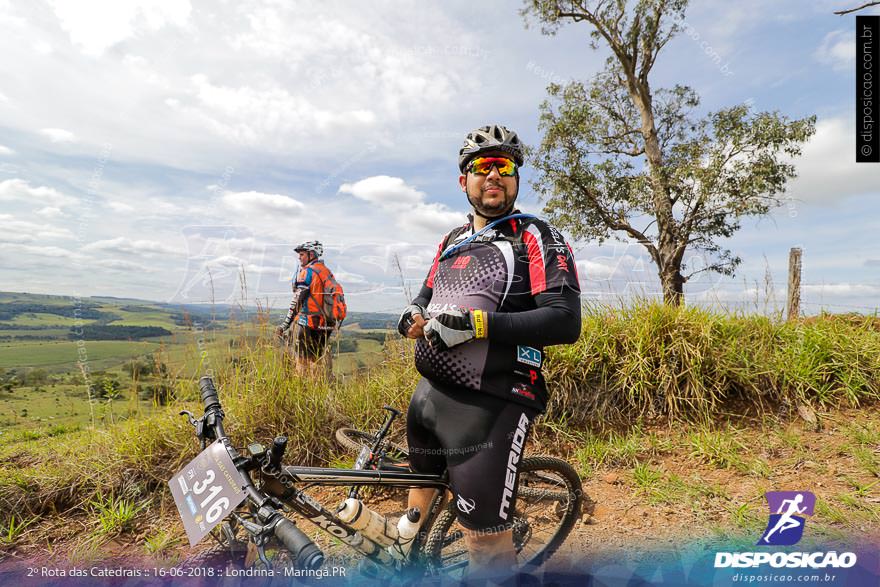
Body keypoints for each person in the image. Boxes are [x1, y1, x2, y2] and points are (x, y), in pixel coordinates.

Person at [397, 124, 582, 579]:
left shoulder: (535, 236)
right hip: (429, 395)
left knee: (485, 538)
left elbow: (565, 320)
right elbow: (426, 293)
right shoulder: (451, 239)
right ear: (465, 181)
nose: (493, 175)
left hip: (493, 401)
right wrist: (413, 314)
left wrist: (480, 325)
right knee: (417, 498)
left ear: (516, 178)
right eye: (482, 167)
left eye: (504, 166)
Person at [276, 241, 336, 372]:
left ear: (311, 255)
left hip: (307, 323)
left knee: (301, 362)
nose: (299, 257)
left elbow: (296, 301)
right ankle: (318, 388)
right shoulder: (326, 271)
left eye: (302, 254)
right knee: (316, 361)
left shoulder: (307, 272)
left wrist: (285, 325)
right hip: (325, 324)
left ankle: (303, 389)